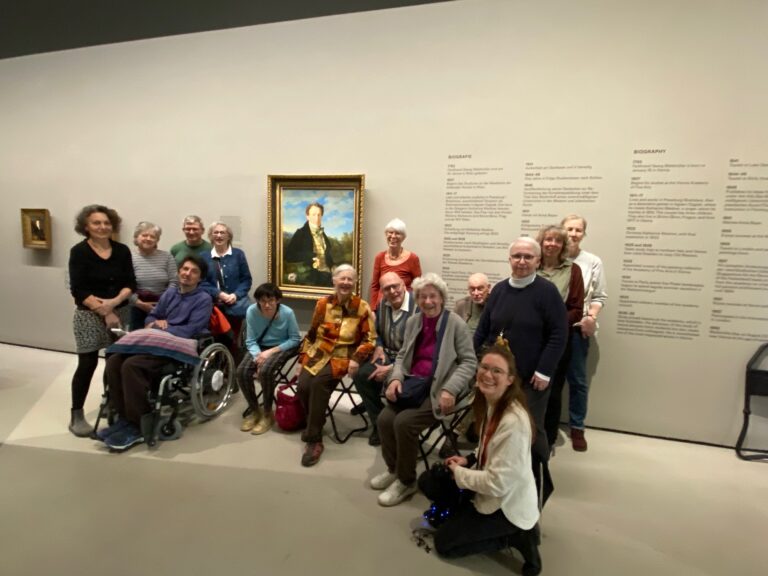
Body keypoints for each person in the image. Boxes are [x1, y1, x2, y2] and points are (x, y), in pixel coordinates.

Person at [418, 344, 541, 575]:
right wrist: (468, 461)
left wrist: (459, 473)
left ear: (510, 380)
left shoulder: (514, 423)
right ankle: (460, 517)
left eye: (497, 371)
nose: (487, 374)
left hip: (504, 504)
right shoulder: (492, 402)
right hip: (488, 486)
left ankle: (515, 536)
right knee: (429, 480)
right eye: (484, 367)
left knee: (445, 545)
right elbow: (487, 446)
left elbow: (497, 483)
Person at [371, 273, 477, 507]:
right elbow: (402, 356)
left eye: (433, 296)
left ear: (442, 298)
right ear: (416, 299)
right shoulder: (413, 322)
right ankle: (394, 469)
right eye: (422, 297)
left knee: (404, 423)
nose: (428, 302)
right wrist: (395, 379)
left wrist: (450, 389)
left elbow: (469, 362)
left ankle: (406, 481)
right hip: (413, 384)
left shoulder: (455, 324)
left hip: (439, 389)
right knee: (384, 420)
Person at [100, 255, 213, 451]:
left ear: (200, 278)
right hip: (155, 341)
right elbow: (151, 316)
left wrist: (161, 328)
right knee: (114, 360)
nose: (187, 274)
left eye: (194, 271)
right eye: (185, 269)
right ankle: (123, 417)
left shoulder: (203, 299)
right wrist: (153, 323)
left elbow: (192, 329)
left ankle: (138, 424)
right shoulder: (170, 293)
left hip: (177, 346)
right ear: (179, 271)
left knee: (131, 366)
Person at [474, 237, 567, 461]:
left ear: (538, 261)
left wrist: (544, 371)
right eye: (517, 256)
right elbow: (483, 329)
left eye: (528, 257)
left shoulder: (548, 292)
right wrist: (474, 360)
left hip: (532, 378)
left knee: (530, 428)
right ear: (509, 259)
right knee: (497, 423)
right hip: (498, 377)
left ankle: (537, 472)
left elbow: (559, 334)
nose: (522, 261)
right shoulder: (499, 290)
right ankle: (497, 467)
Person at [296, 265, 376, 466]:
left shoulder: (362, 307)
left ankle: (314, 440)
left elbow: (370, 339)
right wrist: (301, 360)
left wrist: (357, 359)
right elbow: (311, 335)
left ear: (355, 283)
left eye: (350, 279)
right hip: (318, 354)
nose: (346, 283)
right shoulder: (322, 304)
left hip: (343, 357)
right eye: (342, 278)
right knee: (303, 386)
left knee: (318, 385)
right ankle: (316, 421)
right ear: (334, 280)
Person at [67, 205, 136, 437]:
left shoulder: (122, 250)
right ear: (86, 227)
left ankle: (110, 402)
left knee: (114, 360)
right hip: (89, 314)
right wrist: (105, 311)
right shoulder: (79, 252)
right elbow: (78, 289)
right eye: (96, 223)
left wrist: (114, 303)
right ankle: (76, 414)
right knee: (87, 363)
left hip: (121, 311)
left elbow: (130, 283)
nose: (102, 227)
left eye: (106, 222)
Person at [351, 271, 419, 446]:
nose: (393, 291)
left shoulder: (418, 307)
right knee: (362, 374)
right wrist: (379, 345)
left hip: (409, 361)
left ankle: (395, 424)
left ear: (403, 285)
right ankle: (378, 422)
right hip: (386, 354)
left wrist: (391, 369)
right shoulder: (382, 304)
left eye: (395, 286)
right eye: (387, 288)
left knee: (396, 387)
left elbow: (419, 349)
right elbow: (376, 331)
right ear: (382, 291)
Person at [561, 214, 608, 452]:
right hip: (552, 328)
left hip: (577, 328)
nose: (573, 234)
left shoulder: (592, 261)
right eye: (569, 229)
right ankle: (544, 424)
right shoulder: (551, 257)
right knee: (546, 378)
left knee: (578, 380)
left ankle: (577, 426)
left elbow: (599, 296)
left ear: (583, 233)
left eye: (578, 230)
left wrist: (591, 317)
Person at [536, 225, 585, 451]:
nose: (552, 244)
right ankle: (527, 436)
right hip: (531, 337)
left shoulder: (573, 270)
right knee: (527, 387)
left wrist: (554, 323)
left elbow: (576, 308)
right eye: (548, 239)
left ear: (563, 246)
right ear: (541, 242)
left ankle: (548, 439)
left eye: (557, 240)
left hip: (558, 339)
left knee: (553, 390)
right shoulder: (531, 265)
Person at [236, 283, 301, 435]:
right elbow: (250, 340)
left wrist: (269, 353)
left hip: (282, 346)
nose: (266, 305)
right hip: (259, 347)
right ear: (258, 301)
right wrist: (258, 357)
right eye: (262, 301)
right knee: (241, 372)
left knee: (265, 371)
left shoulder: (287, 313)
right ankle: (255, 410)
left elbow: (295, 339)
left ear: (277, 300)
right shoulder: (252, 311)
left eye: (270, 300)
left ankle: (267, 413)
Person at [200, 221, 253, 352]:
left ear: (228, 236)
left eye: (222, 232)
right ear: (211, 236)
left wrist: (235, 295)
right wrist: (218, 294)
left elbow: (246, 280)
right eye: (215, 233)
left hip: (235, 306)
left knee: (232, 341)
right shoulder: (203, 257)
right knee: (215, 340)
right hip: (213, 307)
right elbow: (202, 282)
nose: (219, 235)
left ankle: (232, 362)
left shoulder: (238, 254)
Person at [129, 221, 178, 330]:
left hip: (164, 306)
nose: (148, 238)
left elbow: (174, 282)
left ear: (157, 240)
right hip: (136, 307)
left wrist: (162, 303)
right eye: (144, 235)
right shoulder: (128, 257)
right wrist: (139, 303)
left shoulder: (167, 257)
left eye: (153, 236)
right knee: (137, 337)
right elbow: (124, 285)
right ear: (136, 237)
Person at [368, 218, 422, 308]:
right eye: (390, 232)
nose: (393, 236)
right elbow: (375, 286)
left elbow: (418, 286)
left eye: (397, 233)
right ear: (386, 235)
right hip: (382, 307)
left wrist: (414, 307)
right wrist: (373, 308)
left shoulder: (413, 258)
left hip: (404, 307)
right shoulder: (379, 257)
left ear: (403, 237)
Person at [284, 201, 334, 287]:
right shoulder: (301, 233)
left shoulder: (322, 234)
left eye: (319, 215)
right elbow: (289, 256)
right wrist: (310, 256)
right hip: (310, 277)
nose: (317, 218)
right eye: (313, 215)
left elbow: (327, 254)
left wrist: (333, 266)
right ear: (307, 216)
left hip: (327, 275)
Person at [453, 272, 491, 336]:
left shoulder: (497, 305)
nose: (476, 293)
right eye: (472, 289)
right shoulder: (461, 305)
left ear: (488, 288)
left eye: (480, 289)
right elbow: (453, 330)